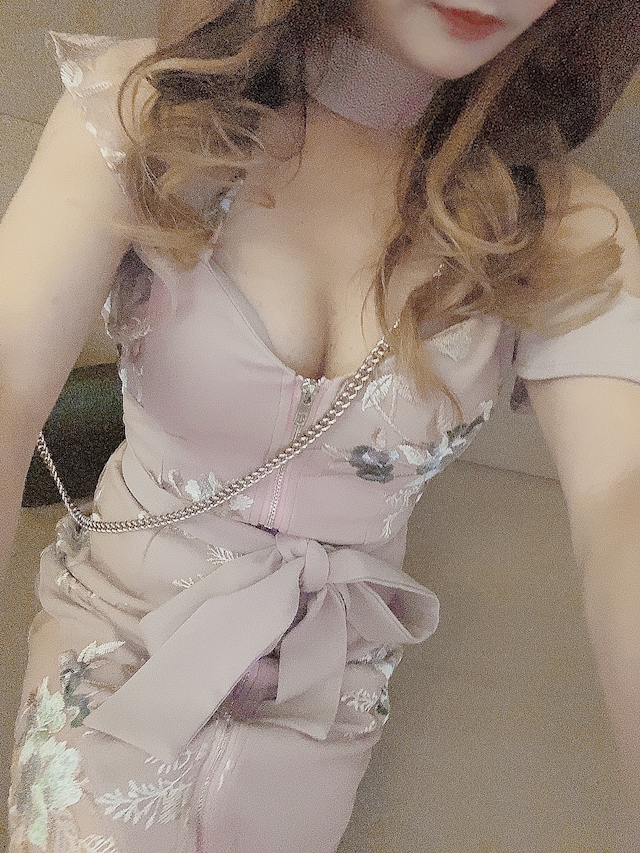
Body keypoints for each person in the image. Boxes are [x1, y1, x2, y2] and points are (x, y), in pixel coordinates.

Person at [1, 0, 639, 849]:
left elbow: (621, 492)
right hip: (115, 648)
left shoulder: (560, 226)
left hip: (326, 695)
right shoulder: (148, 112)